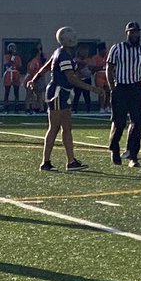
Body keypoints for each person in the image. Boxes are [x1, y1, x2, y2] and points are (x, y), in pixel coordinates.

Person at [35, 25, 97, 172]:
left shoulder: (60, 52)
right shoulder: (64, 55)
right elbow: (71, 79)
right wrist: (92, 88)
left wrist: (35, 79)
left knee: (66, 128)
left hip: (62, 93)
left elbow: (46, 67)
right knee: (54, 128)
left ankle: (71, 161)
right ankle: (46, 162)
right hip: (58, 93)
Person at [105, 20, 141, 167]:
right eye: (132, 32)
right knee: (119, 123)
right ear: (127, 33)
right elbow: (109, 69)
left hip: (136, 88)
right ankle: (114, 148)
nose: (135, 34)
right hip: (121, 87)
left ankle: (133, 155)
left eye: (136, 31)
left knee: (136, 123)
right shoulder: (117, 49)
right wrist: (113, 87)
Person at [71, 44, 93, 113]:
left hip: (87, 79)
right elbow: (76, 67)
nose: (86, 53)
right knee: (77, 95)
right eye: (84, 52)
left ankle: (88, 109)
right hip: (78, 80)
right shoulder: (75, 59)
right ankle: (74, 109)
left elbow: (92, 66)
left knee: (87, 95)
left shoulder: (89, 60)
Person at [25, 44, 46, 114]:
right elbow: (32, 71)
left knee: (37, 94)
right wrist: (34, 80)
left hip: (35, 78)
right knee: (31, 94)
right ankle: (29, 108)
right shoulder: (34, 61)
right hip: (32, 79)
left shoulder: (38, 61)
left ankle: (38, 107)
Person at [2, 43, 23, 111]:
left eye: (14, 48)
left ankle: (16, 105)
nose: (13, 49)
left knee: (16, 90)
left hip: (16, 73)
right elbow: (6, 64)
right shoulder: (6, 56)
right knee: (7, 90)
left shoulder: (18, 57)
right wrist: (12, 59)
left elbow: (19, 66)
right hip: (8, 72)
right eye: (11, 48)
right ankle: (6, 105)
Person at [91, 42, 110, 114]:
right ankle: (101, 107)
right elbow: (93, 68)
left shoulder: (108, 56)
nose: (104, 51)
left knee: (108, 91)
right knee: (101, 92)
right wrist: (102, 67)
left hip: (107, 75)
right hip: (99, 75)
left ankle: (107, 106)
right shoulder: (95, 58)